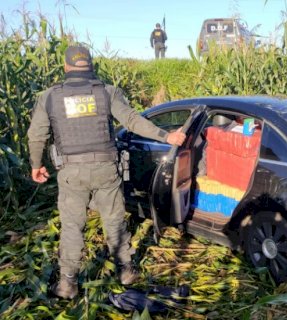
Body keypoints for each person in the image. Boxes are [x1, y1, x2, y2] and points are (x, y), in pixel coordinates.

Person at [27, 45, 186, 299]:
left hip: (71, 172)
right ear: (90, 66)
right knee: (114, 220)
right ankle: (126, 271)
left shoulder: (50, 97)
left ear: (66, 67)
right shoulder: (106, 93)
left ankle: (68, 284)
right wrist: (166, 135)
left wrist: (36, 165)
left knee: (72, 227)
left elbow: (37, 136)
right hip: (106, 169)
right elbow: (132, 120)